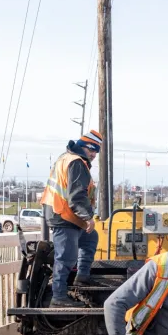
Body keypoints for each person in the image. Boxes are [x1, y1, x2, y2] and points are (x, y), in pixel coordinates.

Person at [40, 130, 102, 307]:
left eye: (96, 152)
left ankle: (82, 277)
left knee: (90, 238)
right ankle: (58, 297)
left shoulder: (67, 158)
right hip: (63, 215)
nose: (94, 155)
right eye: (93, 150)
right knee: (66, 256)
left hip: (66, 215)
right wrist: (89, 217)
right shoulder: (76, 163)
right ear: (85, 147)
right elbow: (76, 196)